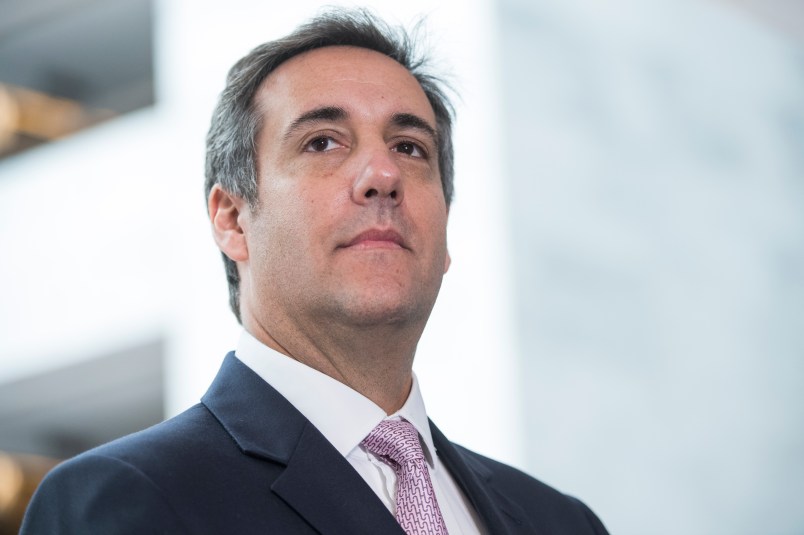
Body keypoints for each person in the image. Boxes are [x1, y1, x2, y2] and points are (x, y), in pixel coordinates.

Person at [21, 8, 609, 535]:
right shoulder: (123, 500)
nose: (383, 173)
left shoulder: (561, 521)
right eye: (323, 142)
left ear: (446, 228)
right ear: (232, 219)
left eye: (410, 147)